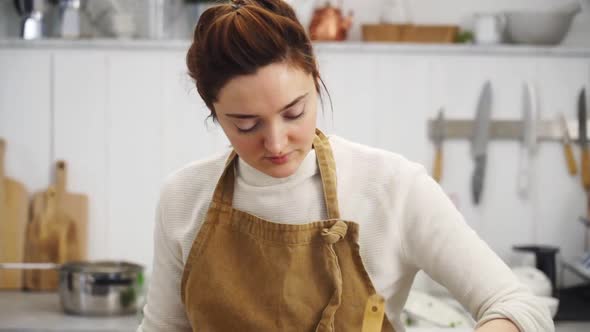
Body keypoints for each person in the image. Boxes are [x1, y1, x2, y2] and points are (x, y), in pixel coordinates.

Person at [137, 0, 553, 331]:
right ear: (213, 110)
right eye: (246, 124)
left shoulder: (391, 187)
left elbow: (519, 306)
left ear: (315, 79)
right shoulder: (183, 197)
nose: (277, 141)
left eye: (294, 112)